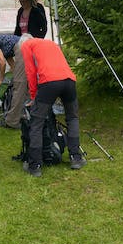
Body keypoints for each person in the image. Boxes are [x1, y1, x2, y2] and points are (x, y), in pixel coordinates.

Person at [18, 34, 86, 176]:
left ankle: (35, 165)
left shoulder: (26, 45)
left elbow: (31, 72)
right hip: (69, 80)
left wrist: (33, 96)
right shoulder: (49, 43)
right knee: (72, 118)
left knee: (37, 122)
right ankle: (76, 158)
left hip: (49, 81)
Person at [0, 33, 29, 128]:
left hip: (22, 44)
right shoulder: (5, 47)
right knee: (22, 80)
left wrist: (1, 80)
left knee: (20, 85)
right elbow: (13, 66)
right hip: (24, 43)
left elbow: (2, 62)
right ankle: (23, 111)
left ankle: (13, 120)